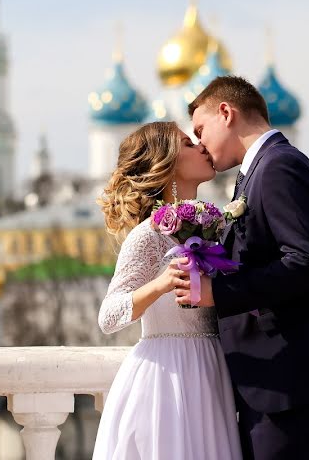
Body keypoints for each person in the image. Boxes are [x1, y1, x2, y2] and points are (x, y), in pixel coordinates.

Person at [177, 75, 309, 459]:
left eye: (200, 130)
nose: (201, 144)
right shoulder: (254, 174)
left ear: (227, 113)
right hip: (275, 383)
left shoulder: (279, 166)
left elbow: (306, 263)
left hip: (291, 384)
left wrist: (217, 293)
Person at [93, 120, 242, 460]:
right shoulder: (148, 235)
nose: (202, 146)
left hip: (212, 370)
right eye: (189, 144)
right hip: (165, 378)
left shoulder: (216, 227)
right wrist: (160, 285)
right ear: (167, 164)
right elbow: (109, 316)